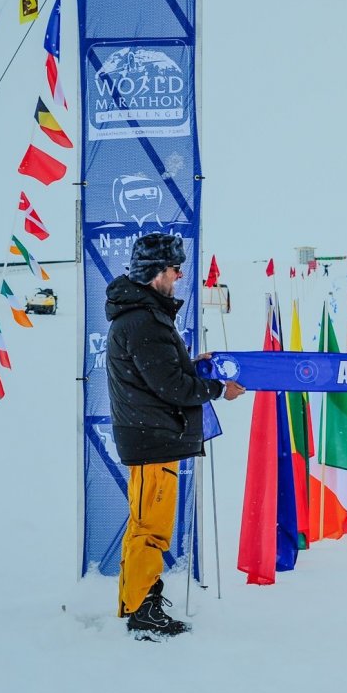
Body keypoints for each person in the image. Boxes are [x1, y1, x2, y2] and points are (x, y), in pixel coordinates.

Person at [106, 232, 245, 639]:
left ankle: (135, 602)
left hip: (150, 435)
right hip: (152, 440)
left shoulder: (143, 315)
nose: (179, 275)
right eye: (173, 269)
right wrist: (219, 389)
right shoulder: (143, 320)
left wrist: (193, 364)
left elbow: (165, 372)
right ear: (154, 275)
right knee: (151, 528)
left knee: (143, 524)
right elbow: (170, 386)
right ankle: (142, 613)